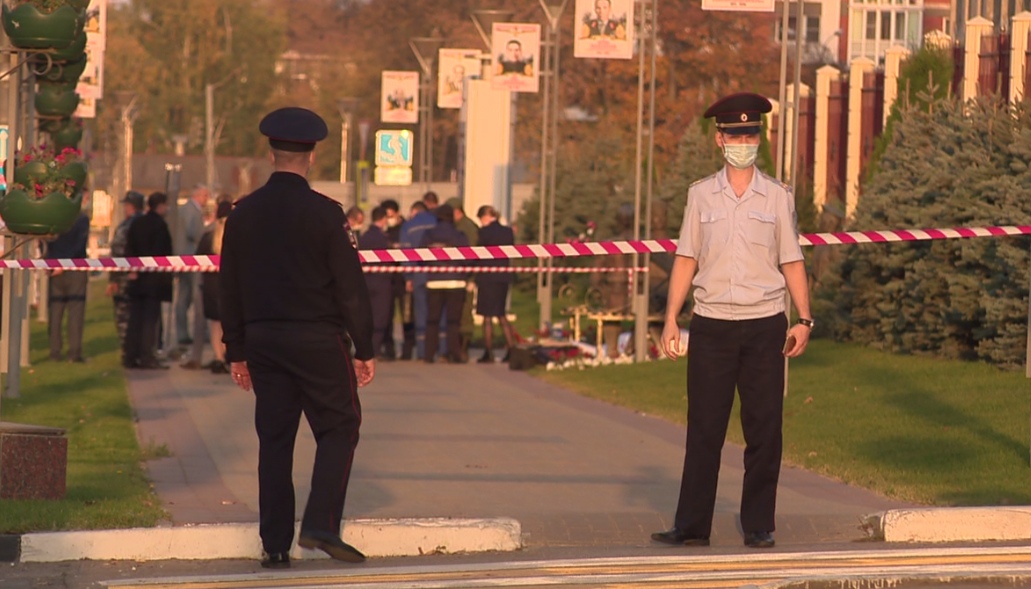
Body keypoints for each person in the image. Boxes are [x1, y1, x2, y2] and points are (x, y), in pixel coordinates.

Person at [651, 93, 812, 550]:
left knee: (765, 429)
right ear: (719, 139)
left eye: (751, 134)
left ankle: (759, 524)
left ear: (759, 138)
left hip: (764, 325)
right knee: (704, 429)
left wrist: (805, 319)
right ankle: (692, 526)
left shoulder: (778, 196)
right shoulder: (701, 195)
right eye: (736, 134)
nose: (744, 141)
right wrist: (670, 320)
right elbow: (686, 258)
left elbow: (792, 261)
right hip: (713, 325)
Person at [219, 106, 375, 570]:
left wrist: (237, 350)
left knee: (275, 439)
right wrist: (364, 348)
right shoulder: (327, 214)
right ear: (311, 157)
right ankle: (321, 523)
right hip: (316, 338)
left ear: (271, 154)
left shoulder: (242, 214)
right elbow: (350, 288)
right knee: (340, 426)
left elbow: (229, 285)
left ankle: (275, 546)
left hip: (264, 342)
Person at [124, 192, 174, 370]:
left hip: (137, 279)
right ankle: (147, 355)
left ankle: (130, 355)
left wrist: (133, 270)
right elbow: (164, 254)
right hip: (154, 281)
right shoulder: (160, 226)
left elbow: (128, 247)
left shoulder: (137, 223)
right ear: (160, 206)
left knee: (135, 318)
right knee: (150, 321)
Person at [420, 204, 469, 363]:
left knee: (432, 320)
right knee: (453, 322)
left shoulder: (429, 235)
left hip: (434, 282)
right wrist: (464, 274)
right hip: (456, 282)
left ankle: (429, 354)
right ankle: (453, 353)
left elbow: (420, 257)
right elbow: (468, 258)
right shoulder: (459, 235)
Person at [194, 199, 233, 374]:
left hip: (210, 287)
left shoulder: (208, 237)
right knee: (229, 323)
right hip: (230, 287)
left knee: (215, 325)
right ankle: (229, 355)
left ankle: (218, 357)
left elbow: (196, 260)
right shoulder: (235, 237)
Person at [45, 212, 90, 363]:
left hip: (55, 267)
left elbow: (47, 242)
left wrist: (51, 262)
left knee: (55, 312)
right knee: (75, 312)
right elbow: (79, 244)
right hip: (75, 268)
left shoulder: (54, 217)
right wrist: (65, 263)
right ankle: (74, 353)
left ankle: (54, 352)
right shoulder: (81, 219)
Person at [475, 206, 517, 363]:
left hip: (487, 277)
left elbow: (478, 254)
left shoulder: (484, 233)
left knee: (487, 318)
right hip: (502, 277)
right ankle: (512, 348)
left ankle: (488, 352)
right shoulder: (508, 232)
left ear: (486, 216)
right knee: (501, 315)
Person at [107, 191, 145, 364]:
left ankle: (128, 351)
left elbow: (119, 251)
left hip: (125, 275)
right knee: (128, 314)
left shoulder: (130, 225)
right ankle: (130, 350)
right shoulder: (133, 223)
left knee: (125, 315)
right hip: (124, 274)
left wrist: (114, 278)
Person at [174, 185, 210, 352]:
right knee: (193, 296)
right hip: (192, 257)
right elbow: (191, 231)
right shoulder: (191, 210)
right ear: (198, 195)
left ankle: (184, 333)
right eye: (205, 195)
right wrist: (204, 237)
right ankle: (192, 333)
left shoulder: (185, 209)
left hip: (184, 258)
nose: (206, 199)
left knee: (184, 296)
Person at [400, 200, 438, 359]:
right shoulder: (436, 222)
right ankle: (440, 350)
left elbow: (405, 253)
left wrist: (408, 277)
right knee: (438, 313)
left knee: (421, 312)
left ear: (414, 211)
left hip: (418, 274)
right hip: (437, 273)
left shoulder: (409, 226)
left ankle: (423, 351)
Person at [358, 207, 394, 361]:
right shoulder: (384, 238)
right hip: (382, 282)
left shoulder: (364, 236)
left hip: (366, 281)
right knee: (380, 317)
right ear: (384, 219)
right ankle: (375, 349)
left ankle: (365, 347)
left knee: (368, 316)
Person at [446, 198, 478, 362]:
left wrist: (471, 278)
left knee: (465, 314)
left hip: (466, 277)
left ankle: (464, 348)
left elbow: (472, 254)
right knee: (457, 315)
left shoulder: (467, 228)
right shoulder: (456, 227)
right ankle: (456, 349)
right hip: (456, 277)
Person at [381, 199, 414, 360]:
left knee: (406, 314)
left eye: (390, 215)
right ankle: (389, 349)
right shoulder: (384, 231)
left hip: (402, 278)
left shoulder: (405, 229)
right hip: (388, 278)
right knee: (387, 314)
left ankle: (407, 350)